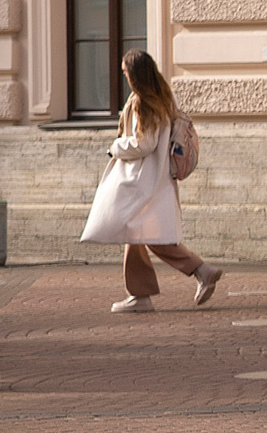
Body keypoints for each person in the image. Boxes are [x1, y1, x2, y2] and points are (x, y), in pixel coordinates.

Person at [81, 49, 222, 314]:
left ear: (134, 74)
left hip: (139, 179)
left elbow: (143, 143)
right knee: (138, 234)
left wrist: (115, 147)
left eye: (125, 71)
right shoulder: (165, 97)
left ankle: (193, 272)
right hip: (157, 177)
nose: (123, 75)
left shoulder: (141, 101)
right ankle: (144, 292)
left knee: (140, 231)